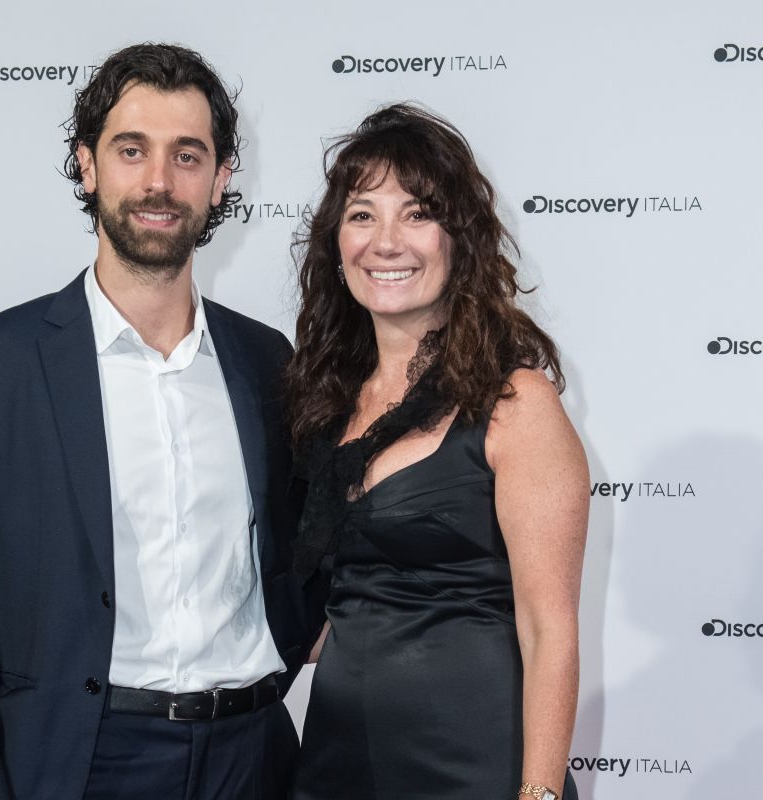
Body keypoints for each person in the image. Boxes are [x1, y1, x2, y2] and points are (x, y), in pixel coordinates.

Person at [0, 43, 310, 800]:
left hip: (254, 759)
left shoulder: (266, 361)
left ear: (222, 182)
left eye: (188, 155)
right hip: (86, 761)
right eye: (132, 150)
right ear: (87, 166)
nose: (159, 181)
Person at [288, 104, 588, 800]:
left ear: (458, 240)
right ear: (335, 243)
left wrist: (539, 792)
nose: (385, 241)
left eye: (416, 213)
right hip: (337, 763)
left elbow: (551, 631)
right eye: (362, 215)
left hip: (476, 767)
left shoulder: (514, 404)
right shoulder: (321, 400)